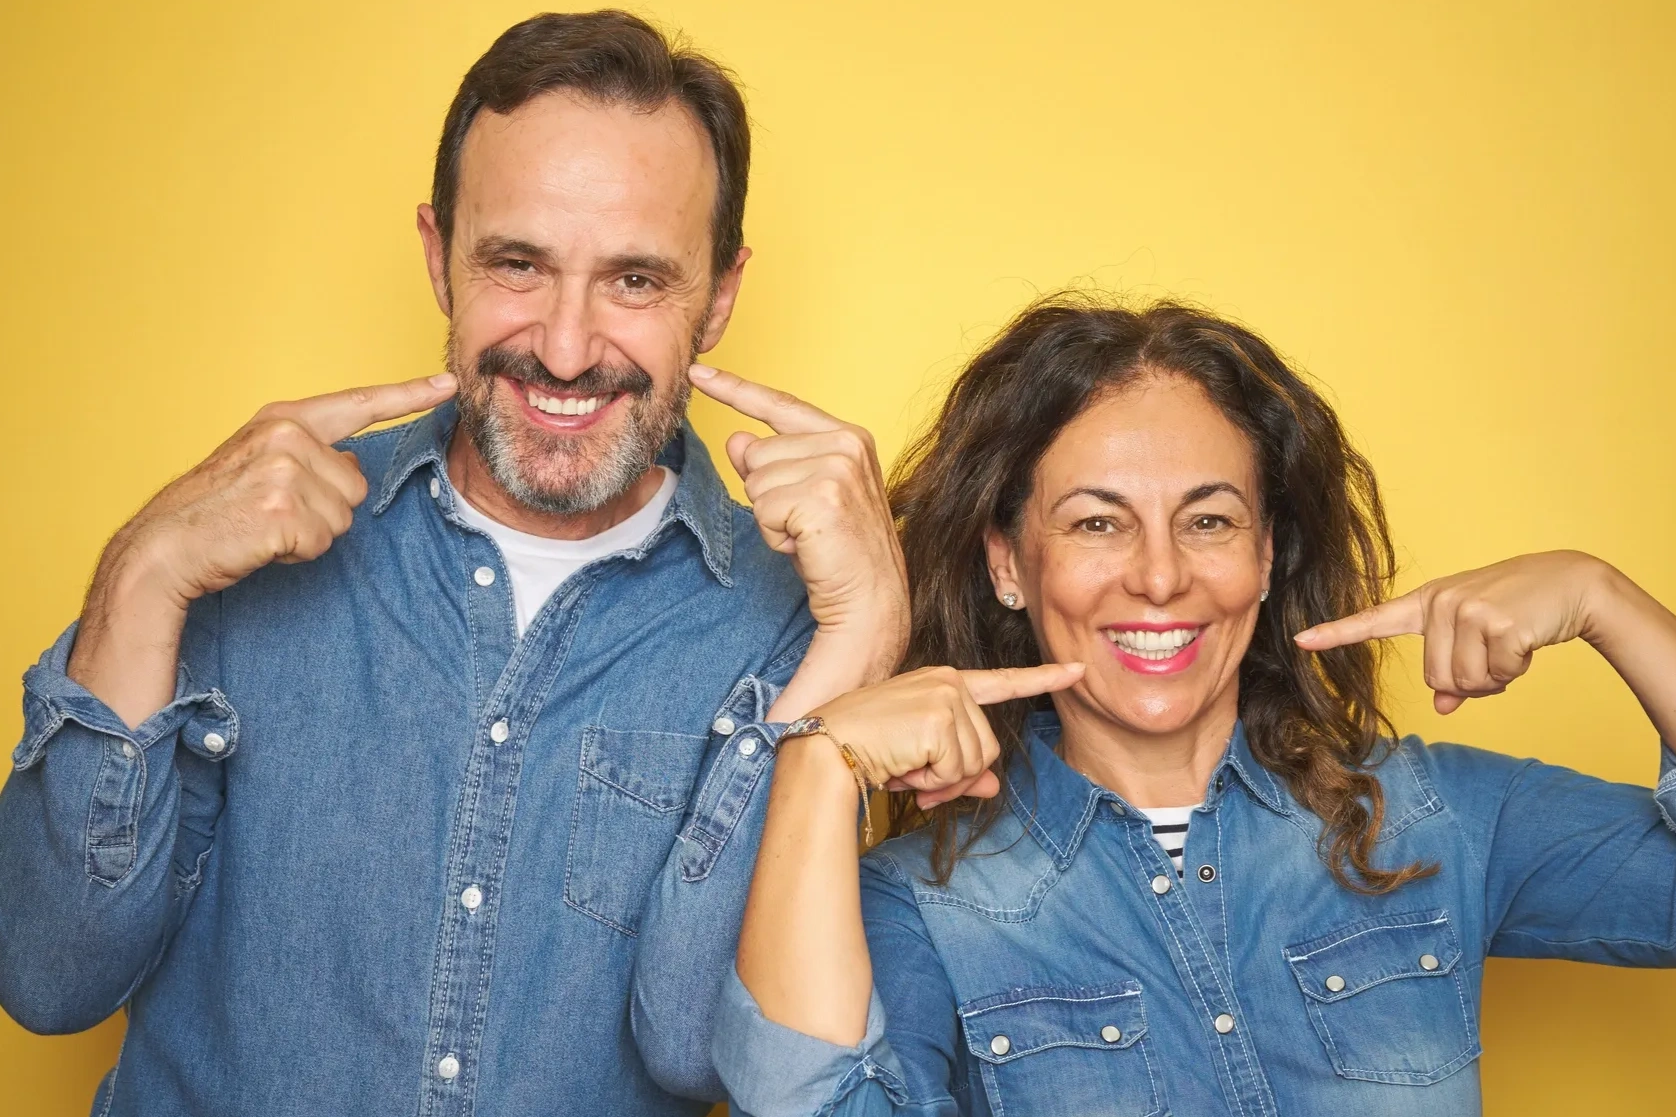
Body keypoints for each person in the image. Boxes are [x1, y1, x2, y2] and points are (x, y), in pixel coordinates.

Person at [0, 12, 908, 1117]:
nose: (566, 350)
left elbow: (691, 1049)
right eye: (516, 264)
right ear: (438, 257)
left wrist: (861, 637)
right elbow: (47, 976)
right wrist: (143, 570)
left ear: (717, 294)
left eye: (634, 280)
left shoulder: (784, 620)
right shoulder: (239, 547)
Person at [712, 295, 1676, 1117]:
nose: (1162, 576)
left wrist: (1606, 600)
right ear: (1009, 562)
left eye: (1209, 519)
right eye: (1098, 521)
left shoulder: (1436, 815)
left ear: (1266, 555)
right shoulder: (917, 900)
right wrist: (815, 755)